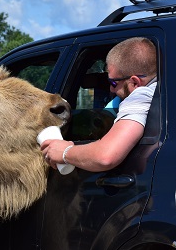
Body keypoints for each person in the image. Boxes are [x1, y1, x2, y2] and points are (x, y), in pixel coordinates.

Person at [41, 37, 157, 172]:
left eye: (113, 83)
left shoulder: (141, 95)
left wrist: (64, 152)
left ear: (135, 83)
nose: (111, 89)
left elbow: (106, 156)